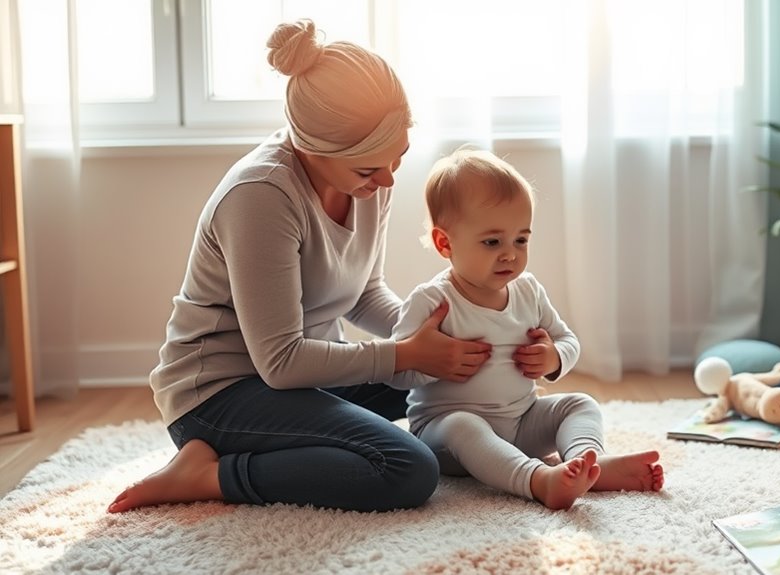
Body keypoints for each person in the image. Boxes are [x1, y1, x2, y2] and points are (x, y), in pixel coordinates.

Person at [107, 19, 493, 514]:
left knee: (454, 377)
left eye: (397, 157)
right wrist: (402, 354)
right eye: (369, 169)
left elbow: (363, 292)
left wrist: (441, 335)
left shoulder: (367, 183)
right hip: (220, 396)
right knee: (407, 469)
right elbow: (281, 361)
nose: (388, 179)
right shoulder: (261, 196)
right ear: (313, 150)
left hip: (304, 379)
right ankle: (210, 473)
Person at [388, 148, 665, 510]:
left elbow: (568, 341)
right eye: (492, 242)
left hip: (521, 422)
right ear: (445, 243)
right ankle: (537, 480)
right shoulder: (431, 301)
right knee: (463, 425)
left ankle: (588, 462)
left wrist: (553, 358)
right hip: (447, 439)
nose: (510, 254)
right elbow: (396, 373)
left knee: (579, 403)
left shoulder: (528, 290)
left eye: (521, 239)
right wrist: (428, 361)